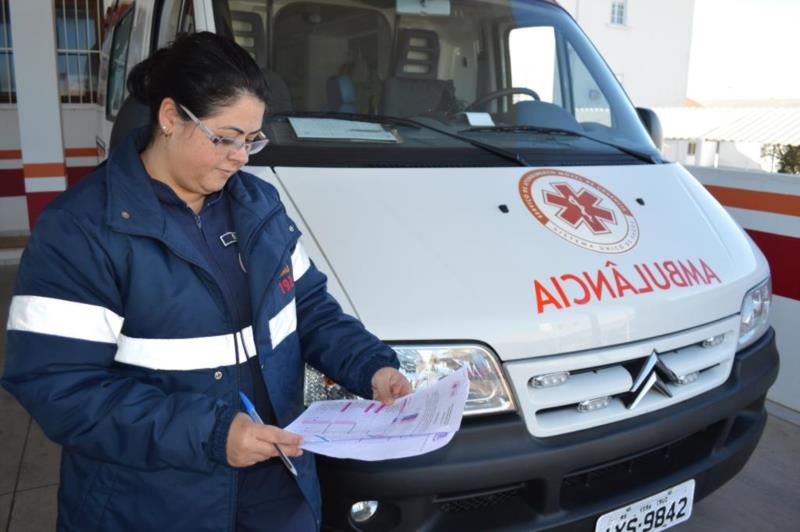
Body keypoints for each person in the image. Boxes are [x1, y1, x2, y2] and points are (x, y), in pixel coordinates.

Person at [2, 32, 411, 532]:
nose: (242, 156)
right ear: (171, 118)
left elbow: (308, 307)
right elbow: (58, 386)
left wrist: (371, 367)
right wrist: (212, 434)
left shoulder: (258, 205)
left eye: (252, 139)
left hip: (278, 484)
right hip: (154, 502)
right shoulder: (83, 231)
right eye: (225, 137)